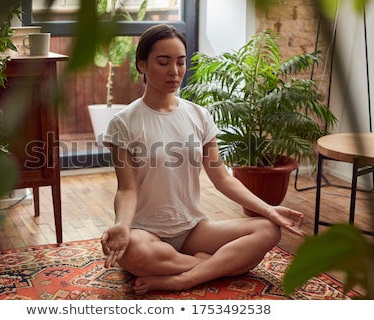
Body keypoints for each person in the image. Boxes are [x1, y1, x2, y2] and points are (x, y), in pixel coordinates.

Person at [100, 23, 304, 295]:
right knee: (132, 253)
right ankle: (212, 265)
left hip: (194, 230)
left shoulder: (199, 116)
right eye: (163, 62)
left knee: (268, 230)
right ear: (143, 65)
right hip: (146, 233)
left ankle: (183, 278)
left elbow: (221, 178)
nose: (174, 71)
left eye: (180, 62)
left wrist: (269, 209)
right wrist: (123, 226)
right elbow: (127, 189)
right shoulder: (123, 123)